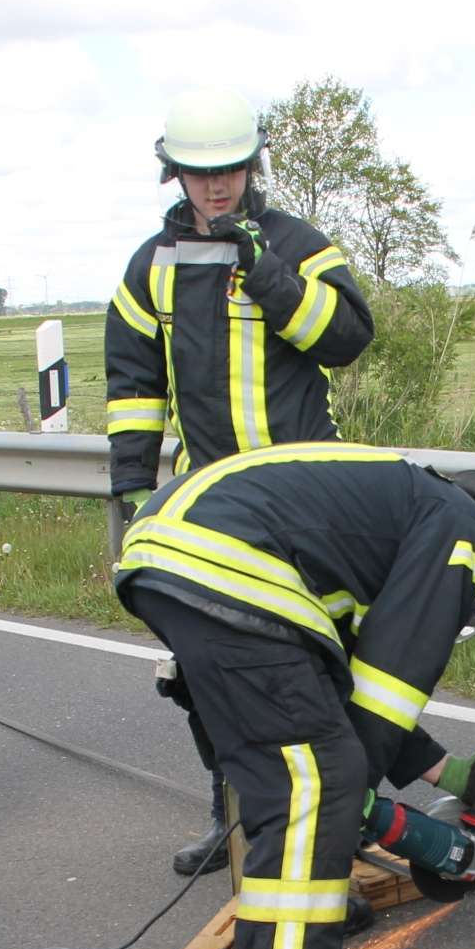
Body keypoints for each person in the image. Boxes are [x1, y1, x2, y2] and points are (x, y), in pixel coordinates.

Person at [113, 442, 475, 949]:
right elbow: (391, 683)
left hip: (171, 552)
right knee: (318, 785)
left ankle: (307, 912)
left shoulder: (393, 511)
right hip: (233, 564)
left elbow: (341, 690)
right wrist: (347, 803)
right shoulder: (466, 534)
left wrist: (446, 771)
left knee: (302, 771)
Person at [105, 87, 375, 880]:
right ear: (174, 175)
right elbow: (132, 382)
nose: (216, 187)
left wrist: (271, 279)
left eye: (229, 171)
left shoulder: (297, 243)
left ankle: (341, 826)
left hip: (305, 499)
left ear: (252, 166)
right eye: (199, 174)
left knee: (322, 663)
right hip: (209, 508)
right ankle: (235, 820)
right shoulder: (148, 267)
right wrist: (129, 491)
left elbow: (349, 340)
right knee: (207, 672)